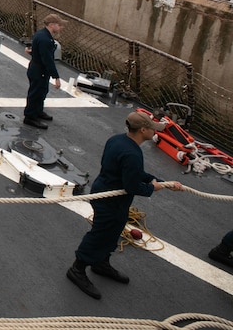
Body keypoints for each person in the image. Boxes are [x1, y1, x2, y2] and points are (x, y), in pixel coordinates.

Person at [66, 111, 183, 299]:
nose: (155, 131)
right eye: (152, 128)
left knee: (114, 229)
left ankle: (101, 262)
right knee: (100, 234)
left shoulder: (117, 140)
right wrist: (153, 188)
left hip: (109, 195)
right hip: (109, 200)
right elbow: (132, 185)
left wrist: (161, 182)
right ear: (143, 130)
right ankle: (77, 269)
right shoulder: (132, 153)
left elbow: (134, 174)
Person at [23, 13, 65, 129]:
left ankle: (38, 111)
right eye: (59, 25)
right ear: (52, 25)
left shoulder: (41, 34)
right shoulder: (45, 39)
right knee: (36, 93)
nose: (61, 27)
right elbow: (47, 59)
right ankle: (30, 117)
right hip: (39, 71)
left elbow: (39, 51)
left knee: (41, 91)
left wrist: (31, 52)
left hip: (37, 69)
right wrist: (56, 77)